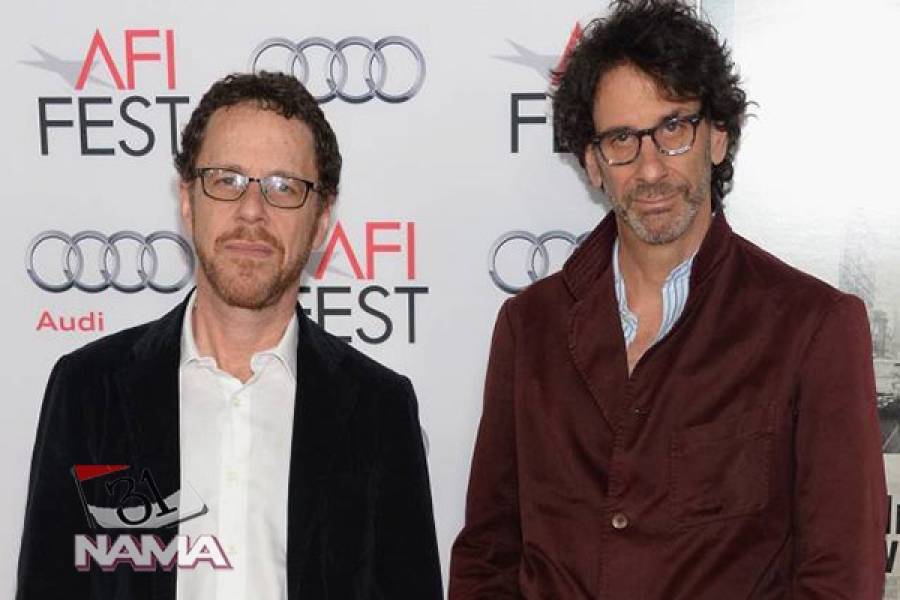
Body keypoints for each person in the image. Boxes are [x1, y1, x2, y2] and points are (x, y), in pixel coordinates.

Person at [449, 1, 886, 598]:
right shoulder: (530, 327)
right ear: (593, 163)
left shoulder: (813, 327)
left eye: (673, 129)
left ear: (718, 136)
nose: (651, 168)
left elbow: (841, 578)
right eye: (622, 139)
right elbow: (488, 554)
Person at [16, 72, 443, 600]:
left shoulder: (379, 407)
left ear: (321, 221)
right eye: (226, 180)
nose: (252, 211)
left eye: (283, 186)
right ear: (188, 200)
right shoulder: (89, 389)